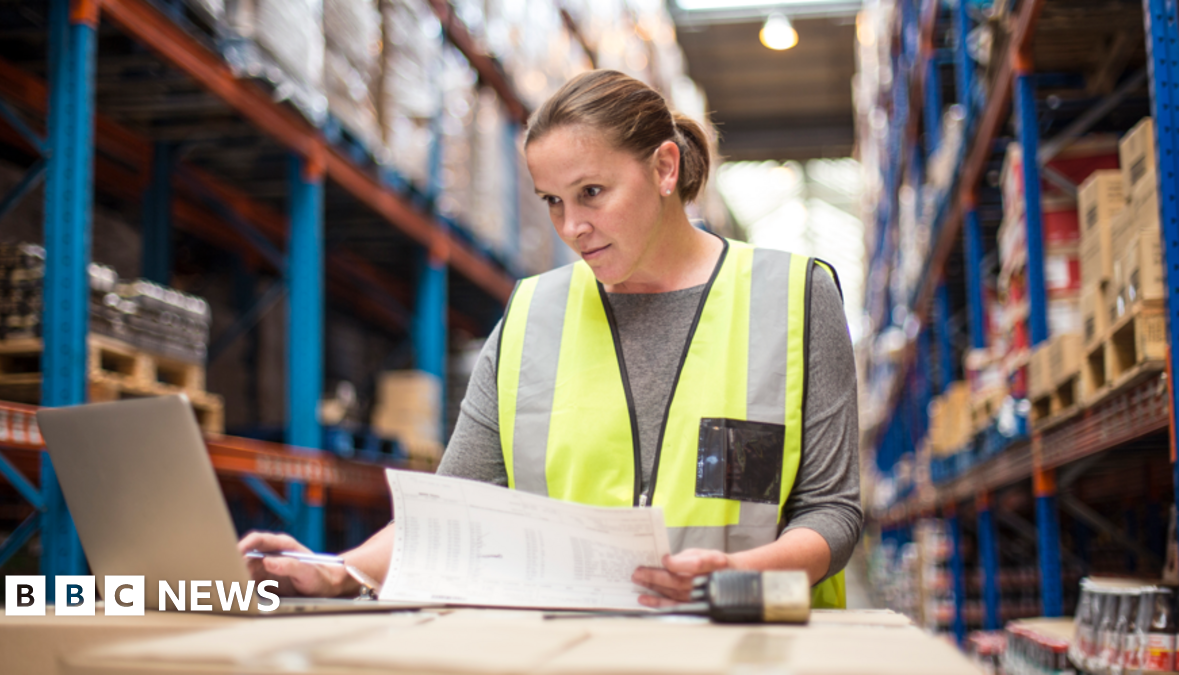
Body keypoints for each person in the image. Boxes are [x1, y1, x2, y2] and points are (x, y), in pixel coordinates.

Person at [240, 69, 862, 609]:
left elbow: (832, 512)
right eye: (552, 202)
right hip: (575, 647)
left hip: (748, 644)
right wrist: (342, 570)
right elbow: (457, 506)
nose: (573, 227)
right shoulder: (534, 313)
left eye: (592, 193)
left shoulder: (794, 298)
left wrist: (737, 578)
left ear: (664, 167)